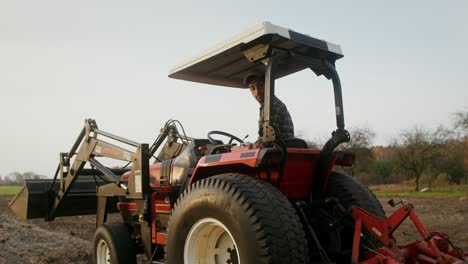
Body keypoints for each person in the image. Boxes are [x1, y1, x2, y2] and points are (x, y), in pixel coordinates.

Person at [243, 70, 294, 146]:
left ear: (268, 85)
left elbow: (267, 141)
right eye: (252, 88)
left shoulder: (272, 105)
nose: (257, 92)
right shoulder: (268, 105)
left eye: (260, 85)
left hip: (278, 153)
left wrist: (249, 146)